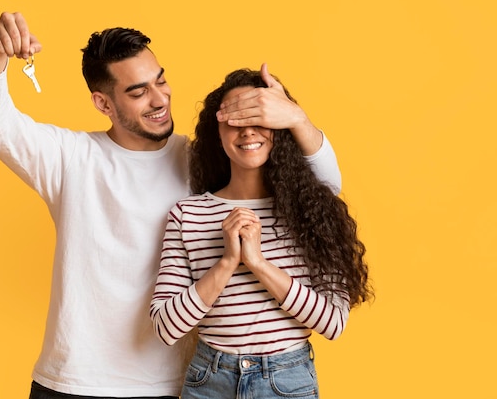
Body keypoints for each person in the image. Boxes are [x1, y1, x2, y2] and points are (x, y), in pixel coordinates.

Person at [0, 11, 344, 399]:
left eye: (160, 80)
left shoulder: (201, 162)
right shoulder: (70, 158)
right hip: (72, 380)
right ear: (103, 103)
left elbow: (324, 184)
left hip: (171, 383)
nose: (159, 98)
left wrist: (295, 118)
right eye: (138, 91)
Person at [150, 68, 373, 399]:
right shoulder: (189, 215)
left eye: (258, 119)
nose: (247, 131)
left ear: (279, 128)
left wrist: (258, 263)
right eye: (234, 121)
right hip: (208, 380)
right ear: (217, 132)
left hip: (286, 381)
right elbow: (166, 328)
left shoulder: (311, 211)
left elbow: (332, 323)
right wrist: (227, 262)